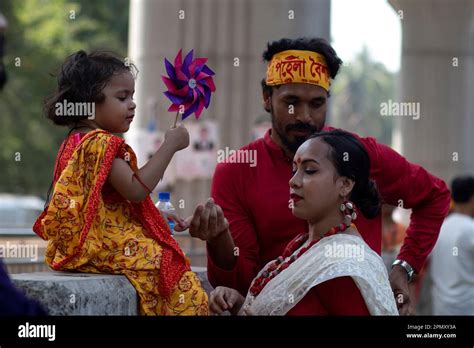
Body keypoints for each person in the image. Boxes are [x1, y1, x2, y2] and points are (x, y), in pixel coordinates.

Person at [178, 37, 451, 315]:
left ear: (347, 183)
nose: (305, 116)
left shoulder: (359, 156)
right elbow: (242, 287)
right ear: (267, 98)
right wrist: (219, 238)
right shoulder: (236, 171)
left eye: (317, 103)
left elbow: (435, 195)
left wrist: (404, 268)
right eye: (292, 102)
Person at [33, 50, 208, 315]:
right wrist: (169, 146)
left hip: (84, 247)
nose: (132, 104)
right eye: (122, 97)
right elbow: (136, 189)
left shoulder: (74, 141)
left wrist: (156, 215)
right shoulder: (101, 143)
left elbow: (110, 205)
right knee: (169, 267)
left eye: (133, 96)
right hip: (100, 248)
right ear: (90, 102)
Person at [208, 130, 398, 315]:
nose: (293, 181)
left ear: (345, 185)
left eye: (309, 170)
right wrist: (239, 303)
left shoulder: (343, 266)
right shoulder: (303, 246)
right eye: (294, 170)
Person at [430, 175, 474, 315]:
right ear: (472, 198)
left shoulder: (439, 227)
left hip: (441, 307)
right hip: (468, 306)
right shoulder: (470, 228)